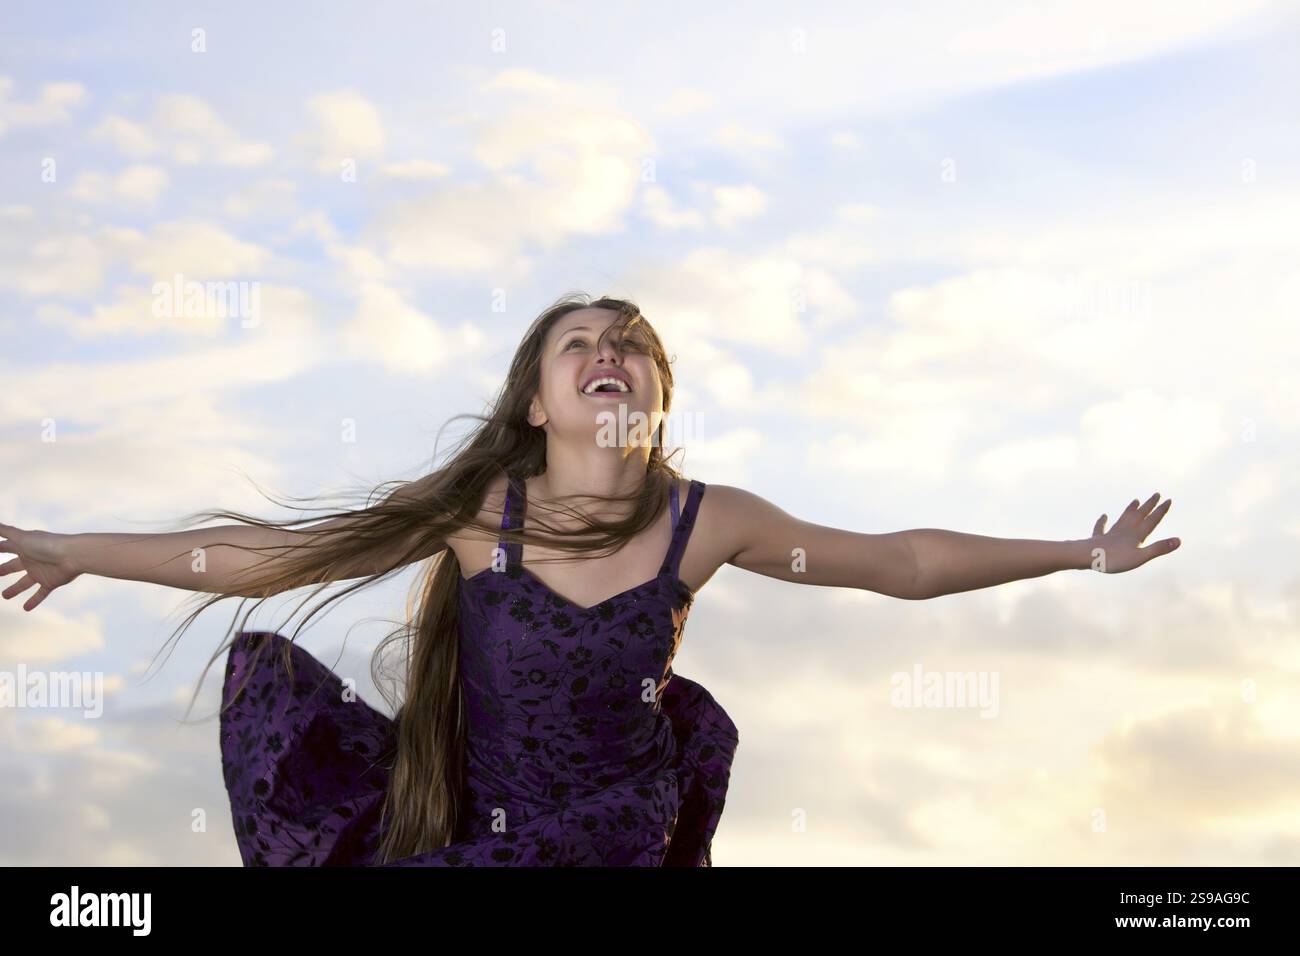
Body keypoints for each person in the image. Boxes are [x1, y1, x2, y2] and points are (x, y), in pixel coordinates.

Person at [0, 293, 1181, 866]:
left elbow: (901, 561)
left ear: (655, 394)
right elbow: (261, 560)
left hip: (616, 829)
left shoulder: (707, 523)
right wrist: (71, 545)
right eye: (582, 343)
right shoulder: (478, 516)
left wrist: (1083, 550)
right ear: (540, 400)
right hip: (485, 823)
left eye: (631, 343)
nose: (608, 353)